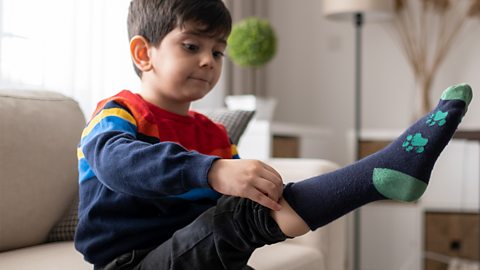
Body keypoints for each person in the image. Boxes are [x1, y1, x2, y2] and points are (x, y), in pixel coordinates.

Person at [74, 0, 473, 269]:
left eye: (217, 51)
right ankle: (379, 173)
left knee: (251, 210)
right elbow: (115, 163)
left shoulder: (212, 132)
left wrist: (258, 188)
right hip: (130, 263)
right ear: (144, 53)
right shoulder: (118, 113)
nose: (207, 61)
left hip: (201, 254)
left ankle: (386, 174)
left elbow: (242, 212)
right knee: (232, 221)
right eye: (191, 45)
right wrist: (214, 171)